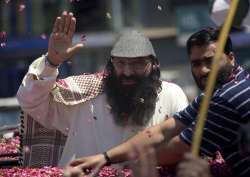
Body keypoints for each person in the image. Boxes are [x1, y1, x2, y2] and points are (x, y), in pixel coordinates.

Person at [65, 27, 250, 177]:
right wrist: (105, 158)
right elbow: (161, 131)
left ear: (231, 57)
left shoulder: (227, 96)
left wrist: (128, 167)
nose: (203, 70)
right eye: (196, 64)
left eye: (211, 61)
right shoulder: (220, 90)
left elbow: (180, 148)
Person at [16, 11, 188, 167]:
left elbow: (185, 144)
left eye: (138, 64)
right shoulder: (83, 96)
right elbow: (29, 102)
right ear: (110, 64)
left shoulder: (171, 94)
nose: (127, 72)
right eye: (121, 63)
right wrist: (51, 63)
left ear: (154, 65)